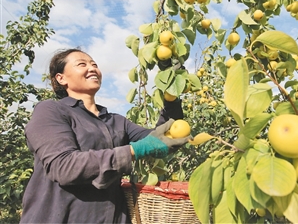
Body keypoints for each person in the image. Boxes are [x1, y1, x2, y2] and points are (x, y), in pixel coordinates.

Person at [20, 48, 191, 223]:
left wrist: (171, 89)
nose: (92, 68)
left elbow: (165, 136)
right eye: (82, 64)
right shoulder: (51, 110)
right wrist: (134, 150)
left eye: (94, 64)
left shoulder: (116, 121)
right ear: (60, 78)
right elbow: (63, 166)